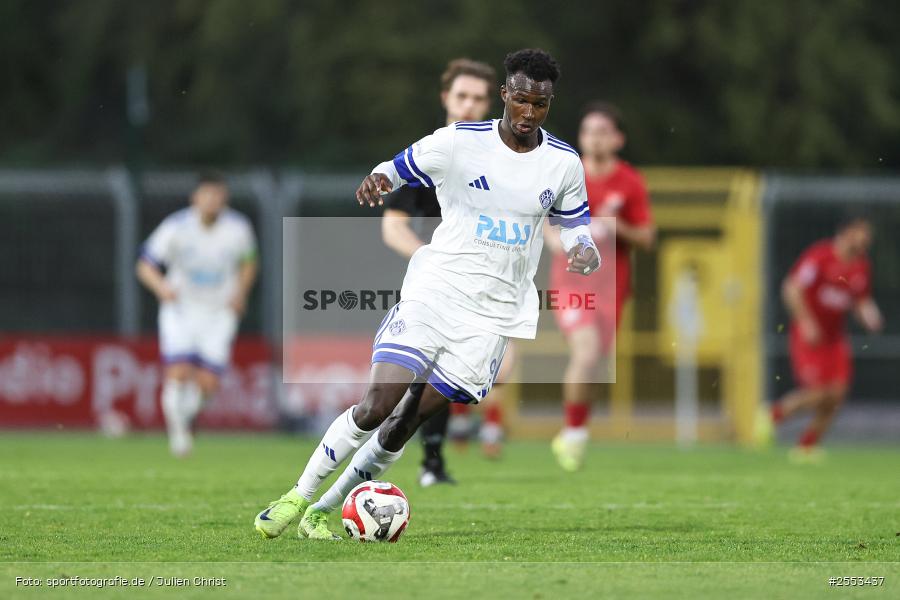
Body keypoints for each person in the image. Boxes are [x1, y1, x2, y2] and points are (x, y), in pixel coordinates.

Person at [255, 48, 599, 540]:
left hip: (493, 315)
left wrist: (583, 248)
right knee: (377, 404)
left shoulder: (563, 163)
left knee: (404, 422)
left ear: (550, 103)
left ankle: (323, 512)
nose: (528, 113)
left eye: (539, 105)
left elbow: (574, 222)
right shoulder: (460, 141)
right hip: (435, 290)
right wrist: (380, 177)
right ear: (504, 95)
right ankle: (295, 497)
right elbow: (399, 166)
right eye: (520, 100)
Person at [381, 58, 507, 487]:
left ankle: (430, 456)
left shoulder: (507, 157)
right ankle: (428, 462)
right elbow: (392, 226)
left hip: (489, 286)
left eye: (478, 98)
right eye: (462, 96)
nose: (469, 105)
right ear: (445, 99)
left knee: (463, 378)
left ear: (491, 102)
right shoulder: (428, 155)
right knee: (420, 372)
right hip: (436, 283)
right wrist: (432, 259)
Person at [544, 103, 655, 471]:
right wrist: (558, 241)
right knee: (587, 351)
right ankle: (574, 434)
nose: (595, 137)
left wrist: (613, 225)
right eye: (589, 130)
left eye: (603, 131)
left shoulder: (630, 182)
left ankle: (575, 429)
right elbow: (543, 221)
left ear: (618, 138)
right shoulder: (566, 175)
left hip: (613, 289)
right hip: (572, 282)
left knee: (594, 365)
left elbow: (647, 237)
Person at [136, 172, 258, 457]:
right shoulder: (176, 227)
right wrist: (161, 287)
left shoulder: (238, 228)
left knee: (208, 384)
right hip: (181, 308)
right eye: (207, 195)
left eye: (218, 195)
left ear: (224, 199)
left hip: (219, 311)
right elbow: (145, 264)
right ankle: (178, 435)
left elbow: (249, 263)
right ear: (195, 198)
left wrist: (241, 292)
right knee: (177, 372)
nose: (212, 201)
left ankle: (186, 417)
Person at [758, 216, 882, 462]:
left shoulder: (861, 266)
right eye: (861, 233)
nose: (865, 240)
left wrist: (870, 316)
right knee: (817, 393)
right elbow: (792, 288)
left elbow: (860, 299)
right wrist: (805, 321)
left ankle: (807, 446)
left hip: (836, 340)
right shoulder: (820, 256)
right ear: (846, 232)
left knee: (837, 395)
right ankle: (772, 415)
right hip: (810, 337)